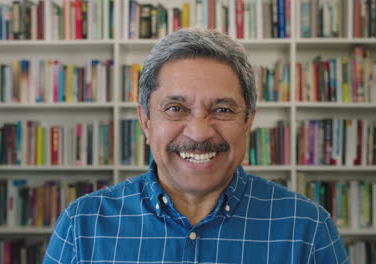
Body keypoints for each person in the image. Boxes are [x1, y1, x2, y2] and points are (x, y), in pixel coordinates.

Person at [43, 28, 348, 264]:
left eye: (223, 110)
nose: (200, 133)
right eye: (176, 108)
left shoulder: (306, 228)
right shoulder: (82, 225)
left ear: (248, 122)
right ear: (146, 121)